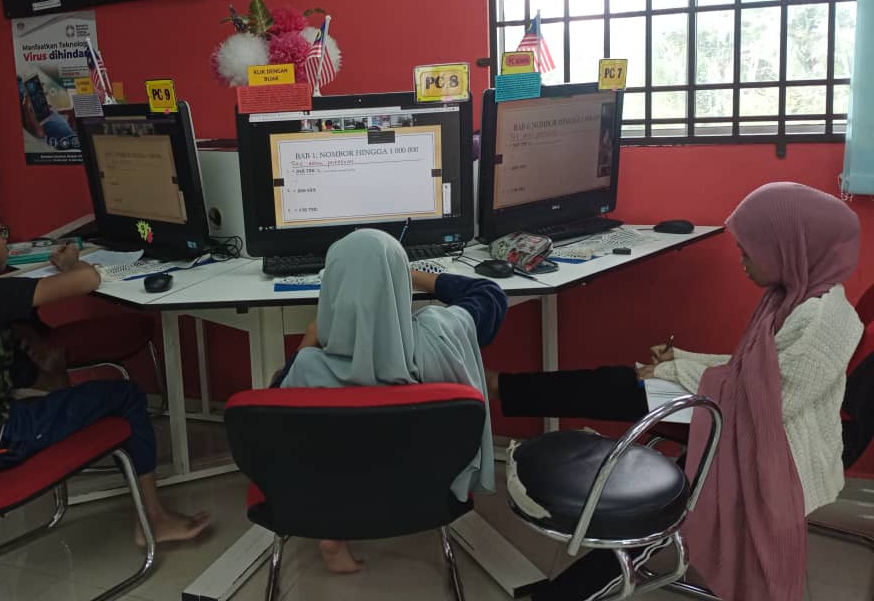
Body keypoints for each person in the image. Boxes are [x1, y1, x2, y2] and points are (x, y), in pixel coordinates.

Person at [487, 182, 862, 600]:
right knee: (632, 382)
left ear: (789, 249)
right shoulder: (796, 294)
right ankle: (503, 387)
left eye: (748, 253)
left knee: (668, 479)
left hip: (779, 444)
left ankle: (570, 589)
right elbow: (749, 368)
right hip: (753, 418)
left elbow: (767, 399)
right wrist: (679, 360)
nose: (742, 262)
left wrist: (679, 369)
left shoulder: (822, 320)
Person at [0, 185, 210, 545]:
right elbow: (88, 279)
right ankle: (153, 519)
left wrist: (50, 369)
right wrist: (70, 264)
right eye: (0, 232)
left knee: (46, 358)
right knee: (127, 397)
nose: (6, 240)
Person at [273, 229, 508, 574]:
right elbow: (490, 294)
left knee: (331, 445)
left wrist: (310, 338)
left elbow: (275, 405)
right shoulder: (442, 335)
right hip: (424, 487)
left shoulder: (308, 368)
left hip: (337, 490)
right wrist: (413, 275)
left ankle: (334, 530)